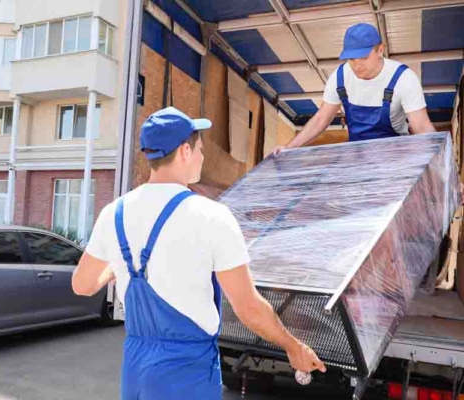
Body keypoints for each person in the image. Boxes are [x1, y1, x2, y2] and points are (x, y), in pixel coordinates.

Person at [72, 107, 326, 400]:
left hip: (136, 369)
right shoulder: (211, 216)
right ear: (183, 151)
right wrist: (293, 346)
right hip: (187, 371)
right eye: (200, 150)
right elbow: (248, 307)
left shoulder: (113, 212)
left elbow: (83, 285)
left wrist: (123, 263)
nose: (202, 157)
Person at [274, 23, 436, 154]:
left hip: (395, 154)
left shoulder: (404, 78)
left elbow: (420, 126)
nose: (357, 66)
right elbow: (321, 119)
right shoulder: (340, 78)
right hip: (357, 156)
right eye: (351, 59)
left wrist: (444, 169)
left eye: (364, 57)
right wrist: (289, 148)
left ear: (380, 50)